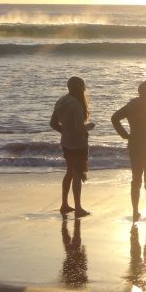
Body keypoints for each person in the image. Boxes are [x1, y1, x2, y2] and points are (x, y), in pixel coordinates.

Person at [111, 79, 146, 221]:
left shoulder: (131, 105)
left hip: (134, 146)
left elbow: (114, 118)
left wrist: (125, 135)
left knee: (136, 180)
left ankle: (135, 211)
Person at [49, 76, 95, 217]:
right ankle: (78, 207)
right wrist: (89, 127)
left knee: (69, 171)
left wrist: (65, 132)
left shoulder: (62, 101)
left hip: (66, 142)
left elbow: (53, 123)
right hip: (78, 144)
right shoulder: (76, 104)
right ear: (80, 88)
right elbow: (79, 129)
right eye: (83, 86)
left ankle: (64, 204)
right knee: (77, 174)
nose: (84, 89)